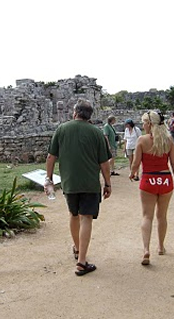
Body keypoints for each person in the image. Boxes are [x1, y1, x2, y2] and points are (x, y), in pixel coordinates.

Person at [45, 99, 112, 276]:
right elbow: (104, 162)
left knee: (74, 215)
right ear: (90, 115)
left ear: (75, 112)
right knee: (86, 218)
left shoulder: (62, 129)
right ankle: (82, 262)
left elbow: (51, 157)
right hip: (90, 183)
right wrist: (108, 183)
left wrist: (49, 179)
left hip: (69, 183)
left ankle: (77, 248)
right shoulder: (97, 133)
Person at [129, 110, 174, 266]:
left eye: (144, 122)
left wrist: (132, 173)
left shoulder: (142, 140)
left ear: (150, 124)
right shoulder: (169, 140)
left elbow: (136, 163)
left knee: (147, 216)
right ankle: (161, 246)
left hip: (148, 179)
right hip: (165, 180)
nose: (143, 125)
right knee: (162, 216)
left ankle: (146, 249)